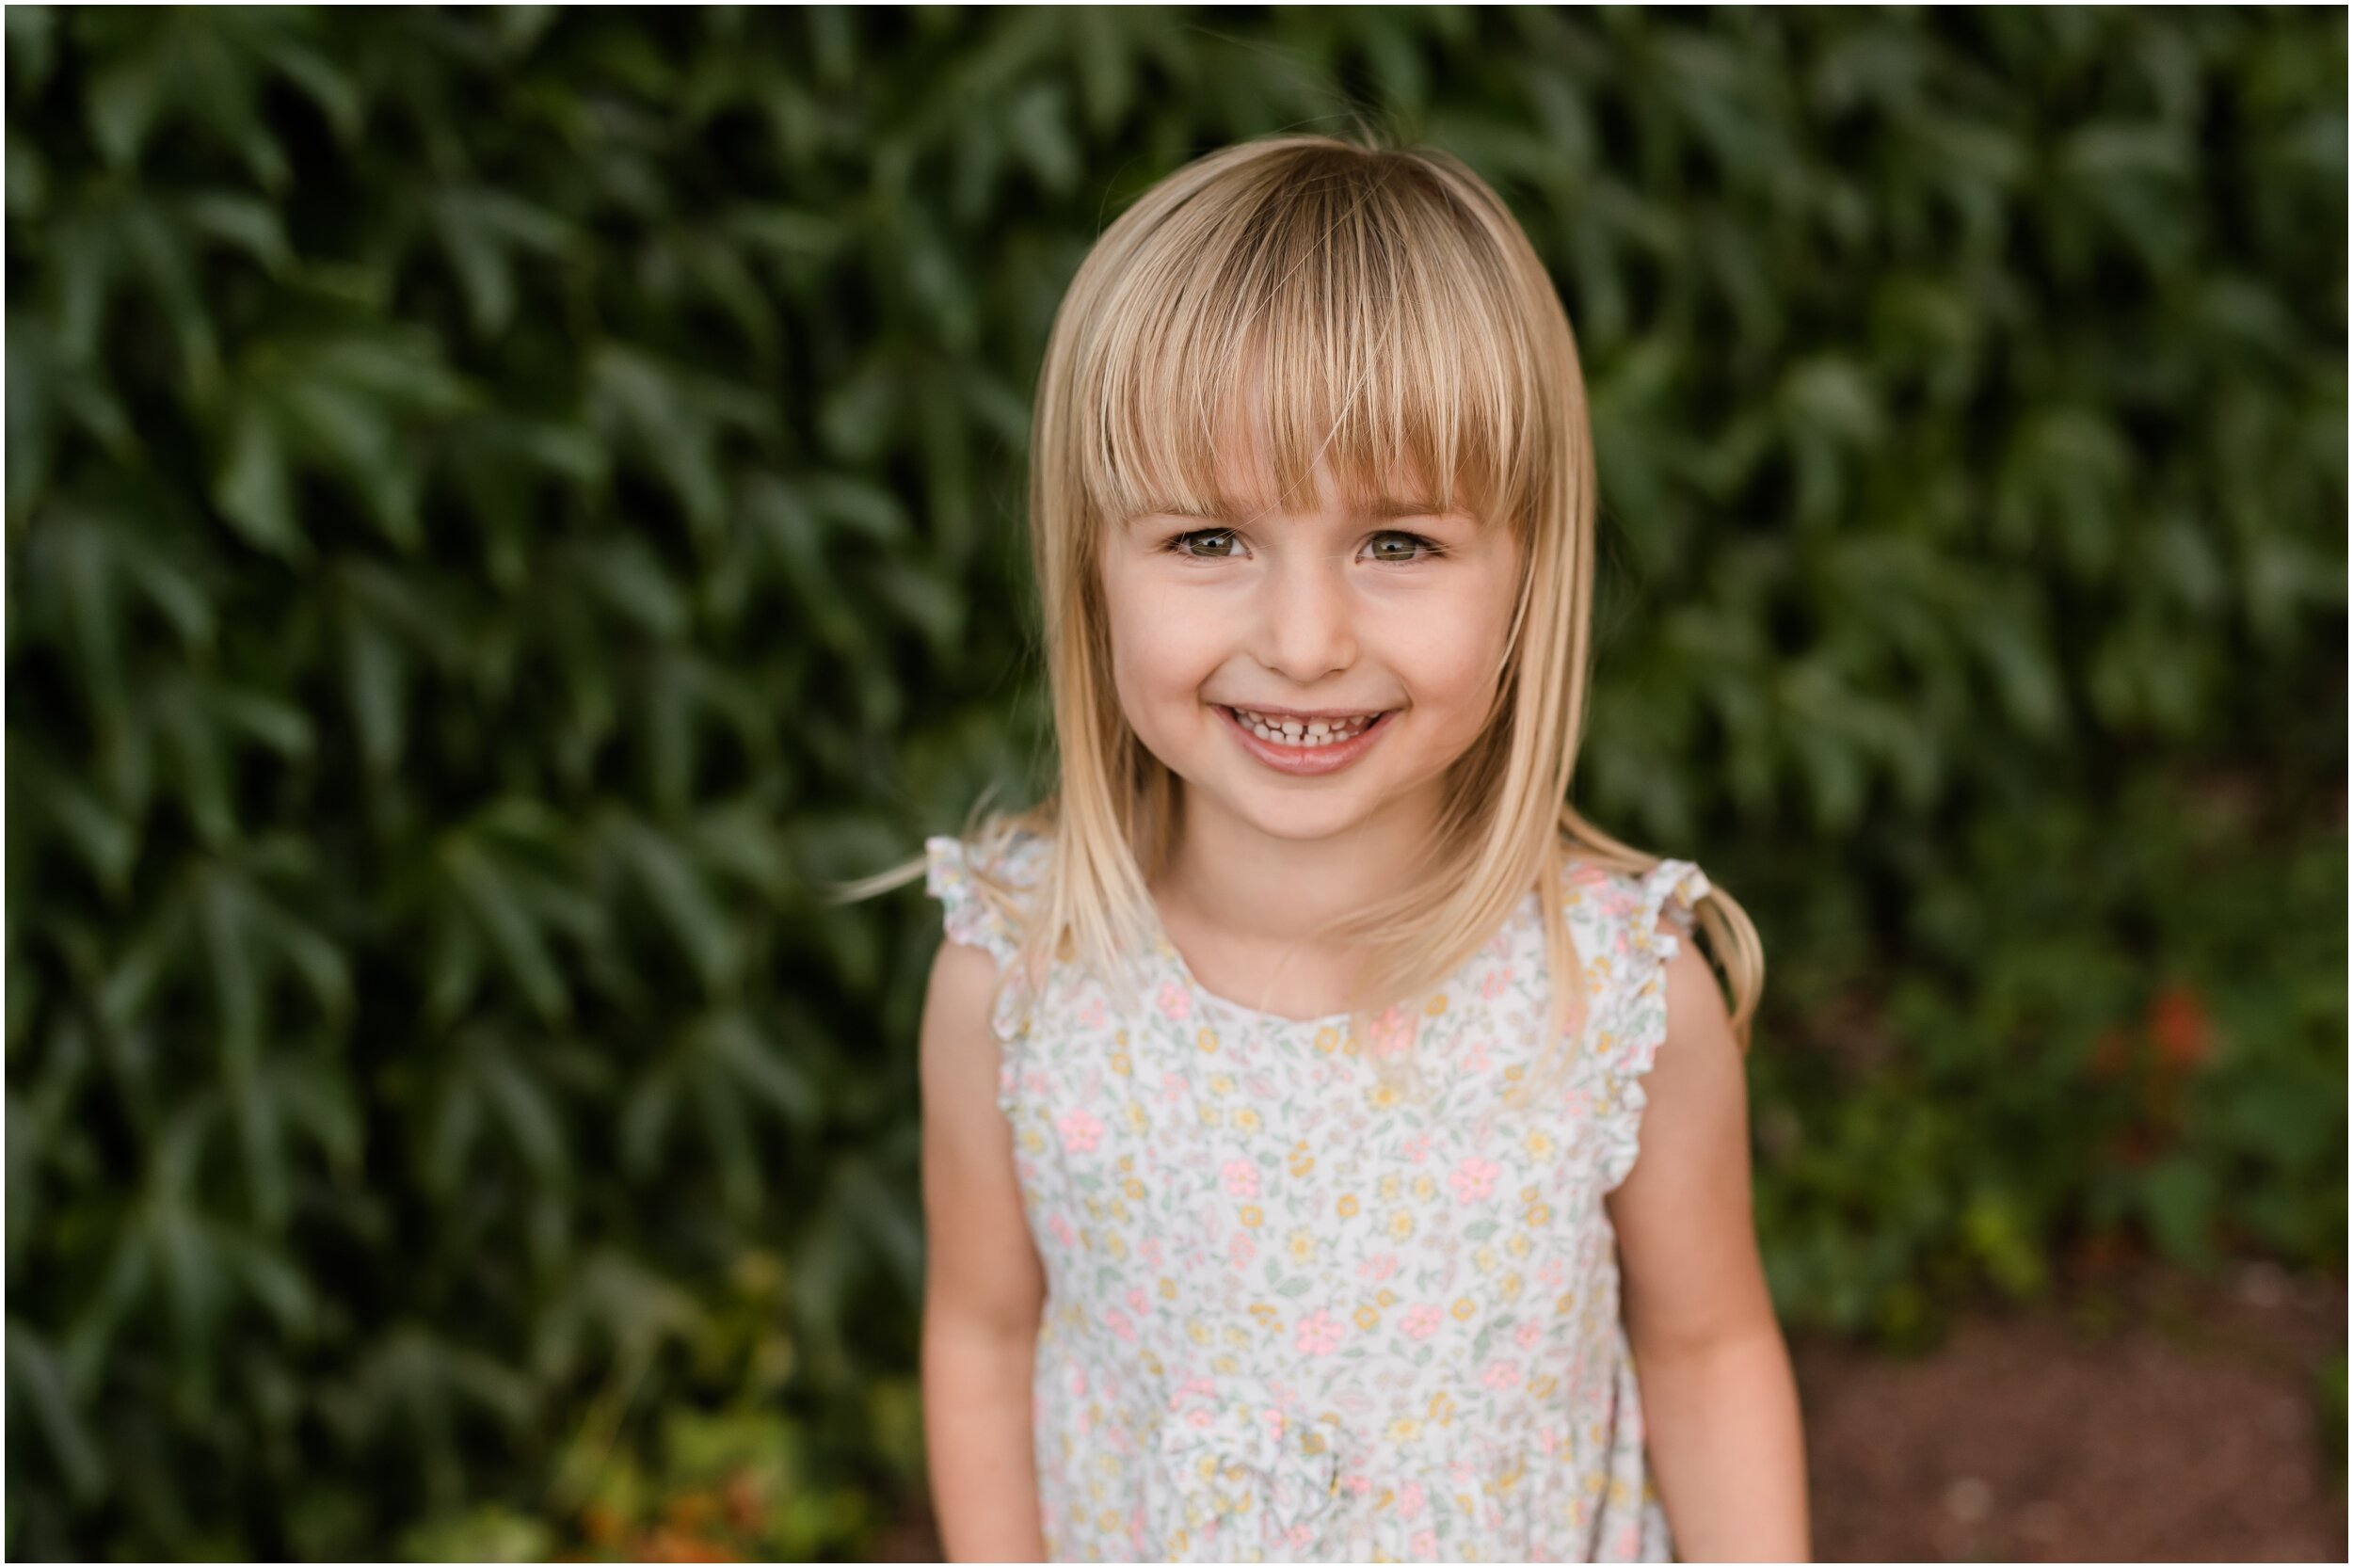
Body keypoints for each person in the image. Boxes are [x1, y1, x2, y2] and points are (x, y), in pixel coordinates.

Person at [845, 132, 1809, 1561]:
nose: (1304, 643)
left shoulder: (1613, 1000)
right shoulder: (1019, 979)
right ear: (1090, 565)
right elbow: (985, 1332)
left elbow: (1709, 1347)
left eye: (1400, 543)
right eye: (1209, 539)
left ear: (1527, 571)